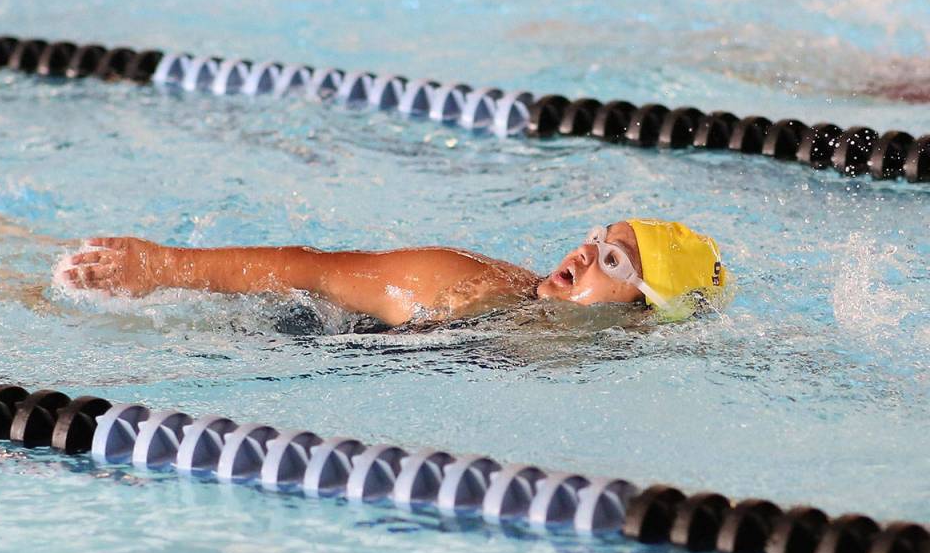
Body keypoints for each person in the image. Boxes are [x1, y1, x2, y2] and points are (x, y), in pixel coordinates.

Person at [61, 219, 729, 328]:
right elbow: (308, 270)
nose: (581, 254)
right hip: (280, 330)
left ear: (647, 311)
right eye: (595, 237)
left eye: (610, 260)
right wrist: (160, 266)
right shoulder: (461, 285)